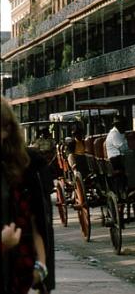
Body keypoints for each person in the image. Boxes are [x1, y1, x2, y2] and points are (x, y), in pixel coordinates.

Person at [1, 97, 55, 294]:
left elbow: (35, 219)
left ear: (6, 130)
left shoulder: (23, 167)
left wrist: (40, 267)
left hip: (17, 272)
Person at [105, 118, 129, 196]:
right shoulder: (114, 134)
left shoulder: (119, 133)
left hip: (120, 156)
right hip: (115, 158)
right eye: (123, 125)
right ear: (118, 125)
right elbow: (122, 147)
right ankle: (123, 189)